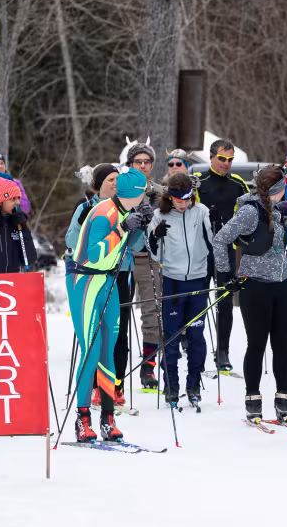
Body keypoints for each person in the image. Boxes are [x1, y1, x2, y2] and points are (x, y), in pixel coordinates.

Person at [67, 169, 147, 442]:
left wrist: (142, 227)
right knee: (89, 351)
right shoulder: (104, 212)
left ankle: (107, 418)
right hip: (86, 283)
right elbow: (95, 255)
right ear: (135, 193)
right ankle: (82, 418)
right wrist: (124, 228)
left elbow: (130, 246)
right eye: (144, 191)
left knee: (108, 352)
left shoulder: (125, 213)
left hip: (109, 282)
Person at [213, 165, 287, 423]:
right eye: (283, 188)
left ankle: (283, 397)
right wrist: (226, 275)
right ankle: (253, 397)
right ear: (276, 190)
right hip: (255, 285)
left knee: (282, 345)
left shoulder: (278, 211)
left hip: (281, 284)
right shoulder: (249, 211)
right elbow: (220, 239)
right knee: (257, 344)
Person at [148, 172, 215, 411]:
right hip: (172, 281)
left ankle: (194, 384)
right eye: (178, 200)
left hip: (198, 281)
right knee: (172, 337)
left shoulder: (201, 211)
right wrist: (156, 236)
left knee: (196, 336)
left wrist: (218, 270)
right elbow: (153, 253)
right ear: (170, 198)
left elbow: (212, 243)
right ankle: (171, 384)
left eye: (187, 199)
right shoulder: (159, 215)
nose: (183, 204)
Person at [196, 138, 249, 371]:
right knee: (198, 299)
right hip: (200, 249)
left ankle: (223, 351)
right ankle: (193, 344)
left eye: (230, 160)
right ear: (211, 157)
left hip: (226, 249)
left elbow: (249, 212)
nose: (226, 164)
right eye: (222, 159)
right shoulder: (199, 183)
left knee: (225, 301)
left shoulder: (238, 184)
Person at [123, 138, 164, 389]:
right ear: (129, 164)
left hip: (152, 257)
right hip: (126, 257)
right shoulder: (122, 189)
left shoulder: (159, 192)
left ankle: (148, 365)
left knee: (152, 309)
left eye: (146, 161)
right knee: (122, 312)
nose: (142, 165)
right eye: (137, 161)